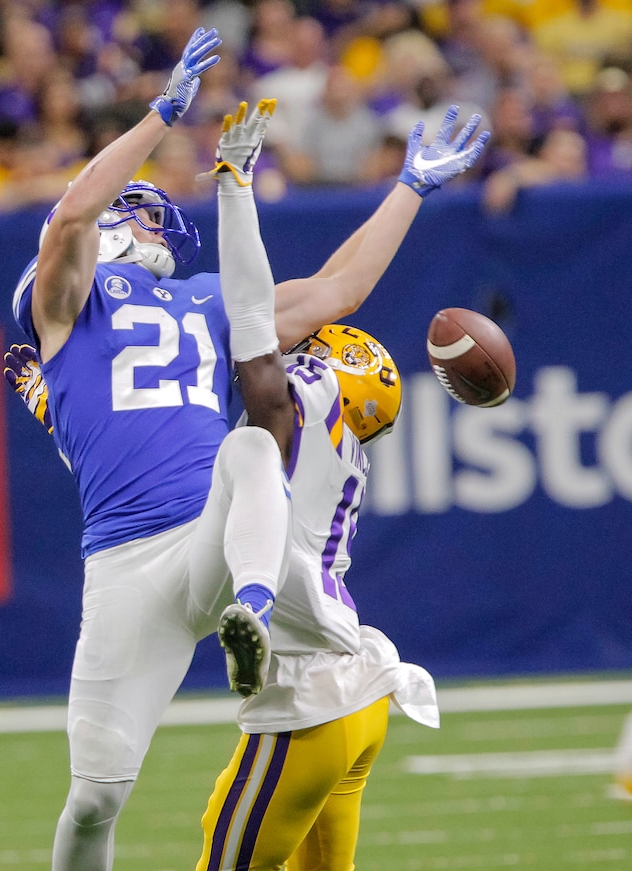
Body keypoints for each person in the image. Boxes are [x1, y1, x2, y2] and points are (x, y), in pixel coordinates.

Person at [6, 23, 488, 870]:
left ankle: (256, 613)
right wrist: (162, 112)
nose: (158, 228)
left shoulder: (205, 301)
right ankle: (289, 620)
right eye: (144, 214)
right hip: (124, 567)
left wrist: (411, 185)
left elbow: (342, 289)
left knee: (249, 452)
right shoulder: (68, 300)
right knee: (94, 800)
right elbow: (73, 209)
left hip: (219, 541)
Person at [193, 99, 441, 871]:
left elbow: (266, 329)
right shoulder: (342, 435)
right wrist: (408, 190)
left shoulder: (293, 405)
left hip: (306, 701)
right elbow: (341, 286)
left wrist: (235, 193)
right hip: (360, 694)